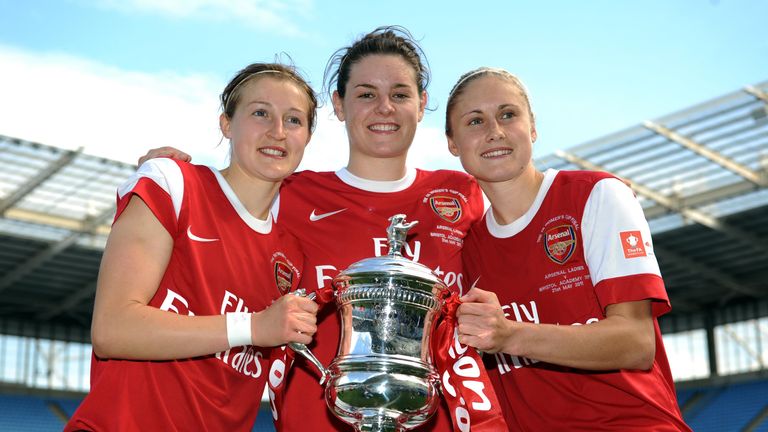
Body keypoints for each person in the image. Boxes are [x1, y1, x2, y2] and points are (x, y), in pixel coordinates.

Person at [138, 27, 498, 432]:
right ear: (339, 105)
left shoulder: (463, 193)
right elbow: (215, 214)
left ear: (422, 103)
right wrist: (171, 175)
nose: (384, 107)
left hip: (430, 417)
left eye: (399, 94)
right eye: (366, 94)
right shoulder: (288, 193)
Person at [65, 62, 320, 431]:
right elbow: (111, 329)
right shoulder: (174, 183)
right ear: (227, 124)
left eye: (294, 120)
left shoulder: (293, 259)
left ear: (308, 136)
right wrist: (253, 326)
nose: (277, 132)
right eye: (260, 113)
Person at [446, 67, 691, 431]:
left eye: (508, 114)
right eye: (475, 121)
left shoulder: (595, 196)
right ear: (453, 144)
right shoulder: (466, 248)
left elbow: (636, 344)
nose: (495, 131)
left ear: (533, 127)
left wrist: (513, 335)